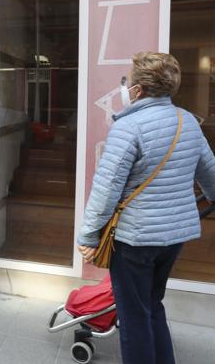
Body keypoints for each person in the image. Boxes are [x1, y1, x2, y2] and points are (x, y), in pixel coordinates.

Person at [77, 52, 215, 364]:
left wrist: (88, 236)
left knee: (133, 316)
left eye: (128, 81)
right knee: (153, 305)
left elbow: (107, 188)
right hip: (174, 238)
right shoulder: (188, 123)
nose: (126, 87)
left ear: (138, 90)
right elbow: (211, 178)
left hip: (135, 240)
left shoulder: (129, 127)